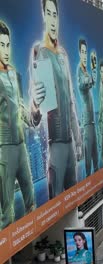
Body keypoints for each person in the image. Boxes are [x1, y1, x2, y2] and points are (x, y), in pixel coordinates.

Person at [30, 0, 83, 199]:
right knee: (57, 201)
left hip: (70, 143)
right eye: (49, 14)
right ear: (44, 16)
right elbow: (37, 110)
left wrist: (78, 140)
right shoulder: (39, 52)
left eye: (55, 14)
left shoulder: (63, 55)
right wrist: (35, 106)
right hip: (56, 145)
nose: (53, 20)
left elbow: (70, 102)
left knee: (73, 198)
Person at [0, 21, 36, 230]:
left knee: (31, 198)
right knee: (7, 212)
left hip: (21, 146)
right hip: (4, 149)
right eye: (1, 45)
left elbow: (21, 108)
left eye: (7, 44)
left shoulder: (14, 73)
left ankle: (28, 248)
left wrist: (34, 116)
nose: (5, 50)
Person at [77, 39, 98, 175]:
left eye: (86, 52)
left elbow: (92, 82)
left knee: (96, 158)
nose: (84, 55)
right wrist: (94, 69)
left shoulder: (86, 73)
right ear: (79, 53)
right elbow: (85, 83)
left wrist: (93, 69)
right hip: (87, 125)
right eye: (82, 52)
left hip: (92, 123)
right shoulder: (80, 73)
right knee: (89, 163)